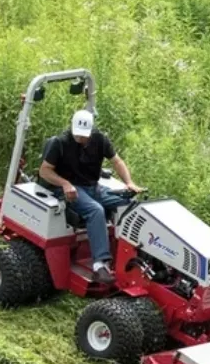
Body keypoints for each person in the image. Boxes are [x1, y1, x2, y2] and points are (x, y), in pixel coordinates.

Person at [39, 109, 144, 284]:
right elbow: (44, 171)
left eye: (84, 136)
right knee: (96, 210)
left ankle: (130, 254)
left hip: (93, 187)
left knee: (129, 203)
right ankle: (99, 265)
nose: (80, 139)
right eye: (77, 135)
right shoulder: (59, 143)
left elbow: (116, 161)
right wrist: (65, 184)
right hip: (69, 189)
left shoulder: (100, 140)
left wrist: (129, 182)